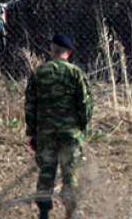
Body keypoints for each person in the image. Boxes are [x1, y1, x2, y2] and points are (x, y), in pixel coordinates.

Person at [25, 32, 93, 219]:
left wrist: (32, 132)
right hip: (70, 133)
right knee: (71, 173)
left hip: (45, 133)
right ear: (69, 52)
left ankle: (44, 212)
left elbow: (30, 105)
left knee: (46, 172)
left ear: (51, 49)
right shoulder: (76, 73)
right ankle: (72, 212)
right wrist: (82, 128)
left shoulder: (39, 73)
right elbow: (85, 105)